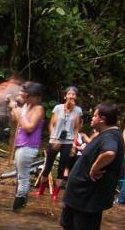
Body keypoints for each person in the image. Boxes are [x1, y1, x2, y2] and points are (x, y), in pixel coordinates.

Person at [61, 103, 125, 230]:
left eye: (94, 115)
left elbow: (109, 153)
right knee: (68, 228)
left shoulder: (111, 136)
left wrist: (94, 168)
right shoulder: (103, 135)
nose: (92, 118)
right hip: (78, 194)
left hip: (88, 196)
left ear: (102, 119)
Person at [37, 87, 83, 199]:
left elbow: (76, 128)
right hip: (55, 139)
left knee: (62, 167)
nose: (71, 96)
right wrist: (54, 138)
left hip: (68, 141)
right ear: (65, 96)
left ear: (76, 97)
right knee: (48, 165)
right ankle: (41, 190)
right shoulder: (58, 108)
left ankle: (55, 194)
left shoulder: (78, 110)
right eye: (69, 94)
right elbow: (51, 124)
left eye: (74, 94)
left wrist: (74, 144)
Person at [10, 82, 46, 211]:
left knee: (23, 178)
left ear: (36, 97)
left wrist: (19, 113)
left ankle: (17, 208)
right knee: (20, 176)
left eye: (29, 95)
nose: (26, 97)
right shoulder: (26, 105)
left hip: (28, 147)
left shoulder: (39, 109)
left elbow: (29, 127)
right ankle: (21, 204)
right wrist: (14, 108)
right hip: (21, 145)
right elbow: (16, 119)